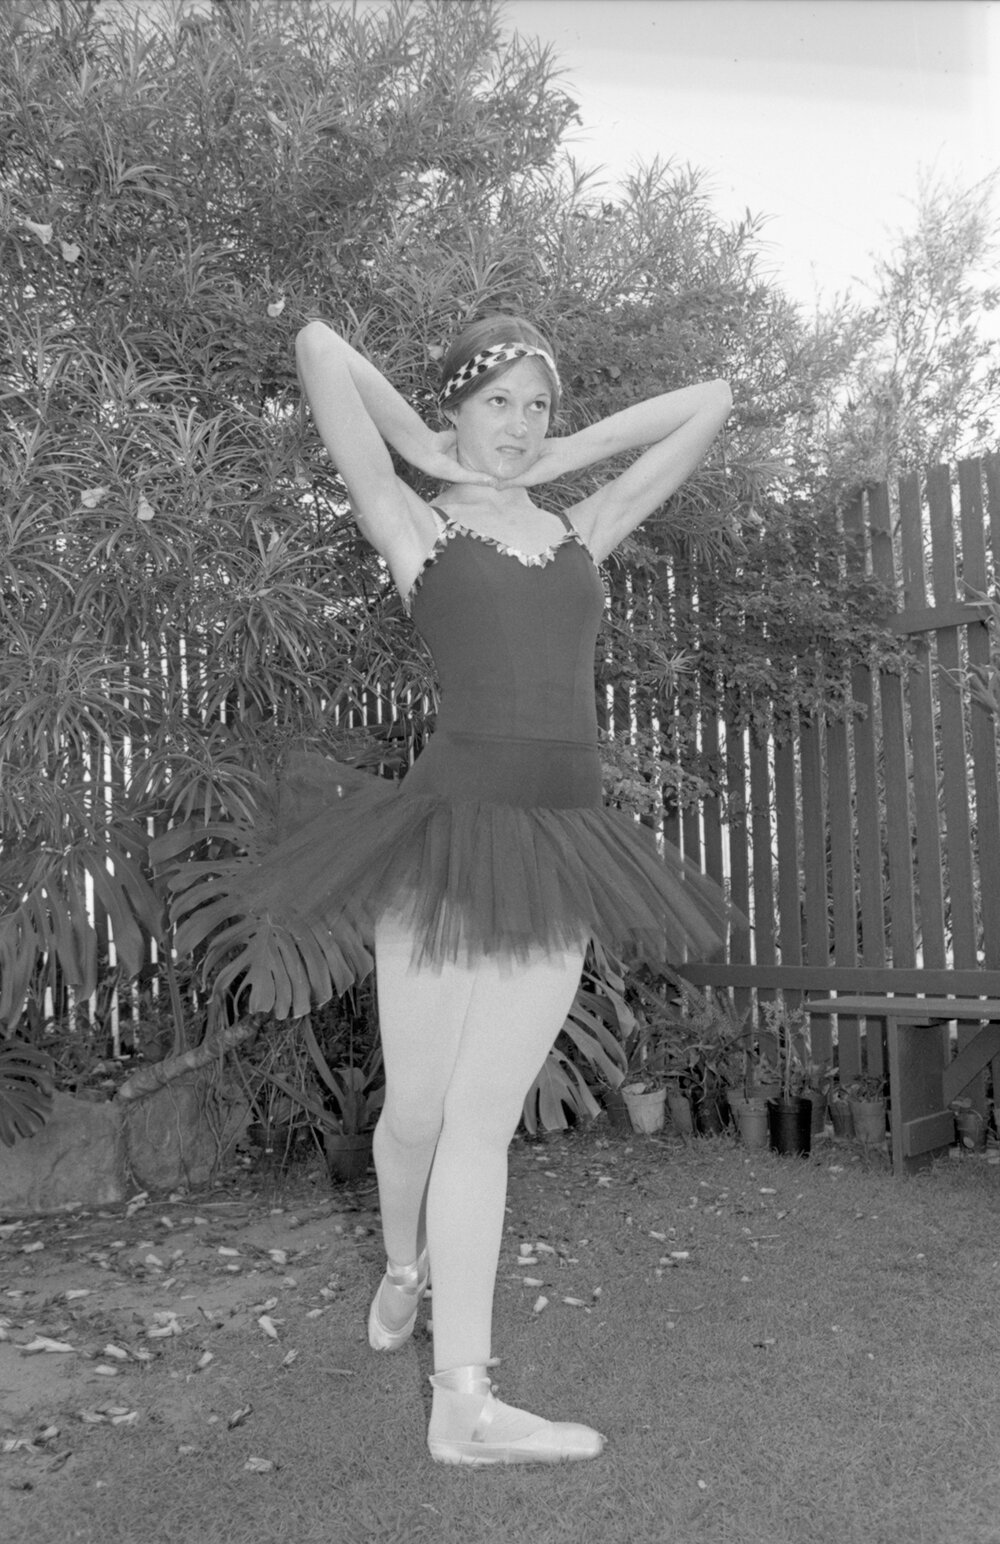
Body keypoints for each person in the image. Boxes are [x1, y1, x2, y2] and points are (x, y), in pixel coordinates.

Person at [291, 313, 733, 1466]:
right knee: (416, 1112)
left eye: (537, 405)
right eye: (499, 401)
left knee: (480, 1122)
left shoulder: (582, 527)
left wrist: (553, 446)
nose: (521, 423)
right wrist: (432, 449)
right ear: (453, 408)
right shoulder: (415, 524)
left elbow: (710, 402)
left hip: (560, 853)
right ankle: (402, 1264)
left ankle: (465, 1402)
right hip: (444, 846)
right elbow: (320, 347)